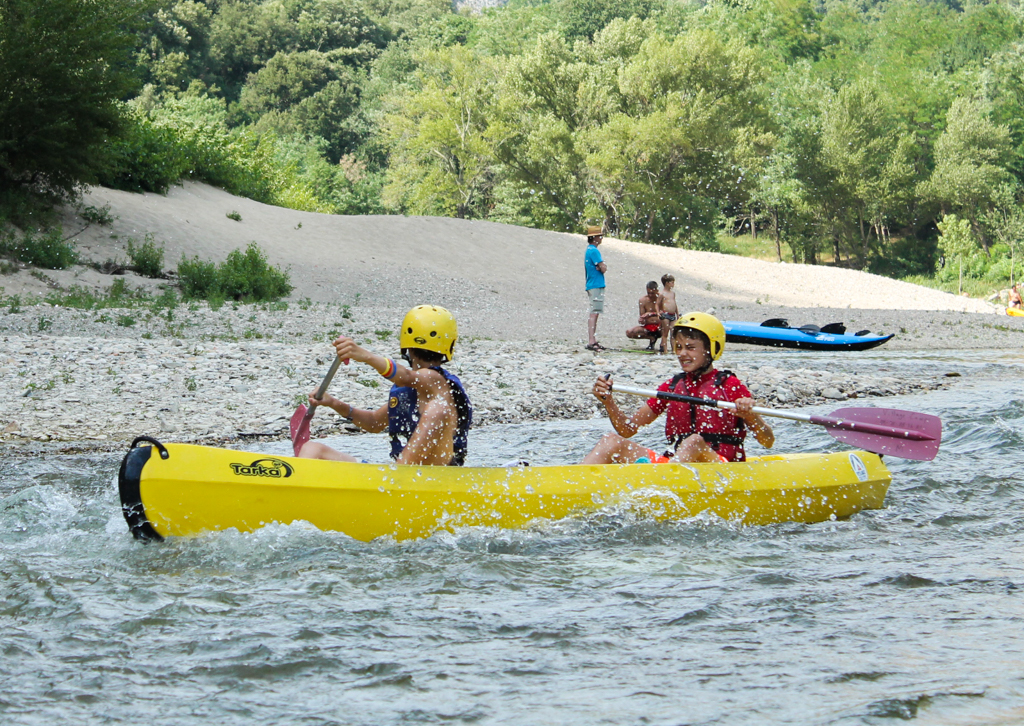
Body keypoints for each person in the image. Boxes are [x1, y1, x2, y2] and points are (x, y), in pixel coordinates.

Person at [581, 312, 774, 465]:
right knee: (610, 441)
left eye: (690, 347)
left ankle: (660, 489)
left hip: (721, 467)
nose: (682, 353)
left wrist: (750, 415)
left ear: (711, 348)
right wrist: (608, 402)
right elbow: (627, 429)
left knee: (694, 441)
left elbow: (767, 441)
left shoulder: (729, 385)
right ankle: (568, 486)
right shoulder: (672, 387)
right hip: (678, 466)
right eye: (678, 346)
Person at [298, 305, 472, 466]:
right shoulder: (407, 390)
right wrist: (333, 403)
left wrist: (366, 356)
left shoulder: (437, 382)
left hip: (438, 477)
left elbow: (405, 376)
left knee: (437, 410)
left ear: (407, 345)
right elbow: (374, 422)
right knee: (313, 449)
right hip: (398, 478)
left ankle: (397, 480)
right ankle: (298, 490)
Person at [584, 225, 608, 351]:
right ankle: (591, 341)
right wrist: (602, 266)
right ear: (595, 238)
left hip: (593, 284)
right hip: (596, 284)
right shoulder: (594, 250)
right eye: (600, 236)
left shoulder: (589, 250)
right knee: (594, 312)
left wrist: (601, 267)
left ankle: (593, 340)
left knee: (595, 312)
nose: (601, 238)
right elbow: (603, 268)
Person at [626, 281, 662, 350]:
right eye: (649, 293)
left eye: (652, 293)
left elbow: (665, 315)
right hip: (649, 327)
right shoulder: (643, 300)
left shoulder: (662, 299)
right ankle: (652, 338)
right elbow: (644, 319)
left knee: (666, 322)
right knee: (629, 332)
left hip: (661, 327)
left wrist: (651, 314)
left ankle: (663, 344)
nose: (650, 295)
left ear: (657, 290)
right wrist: (643, 319)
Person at [658, 274, 679, 355]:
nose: (673, 284)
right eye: (672, 282)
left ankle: (674, 350)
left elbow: (675, 304)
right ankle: (665, 350)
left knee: (673, 333)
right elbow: (657, 304)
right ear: (667, 283)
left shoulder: (673, 293)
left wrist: (677, 314)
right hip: (665, 314)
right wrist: (658, 312)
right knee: (665, 333)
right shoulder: (662, 294)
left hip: (673, 314)